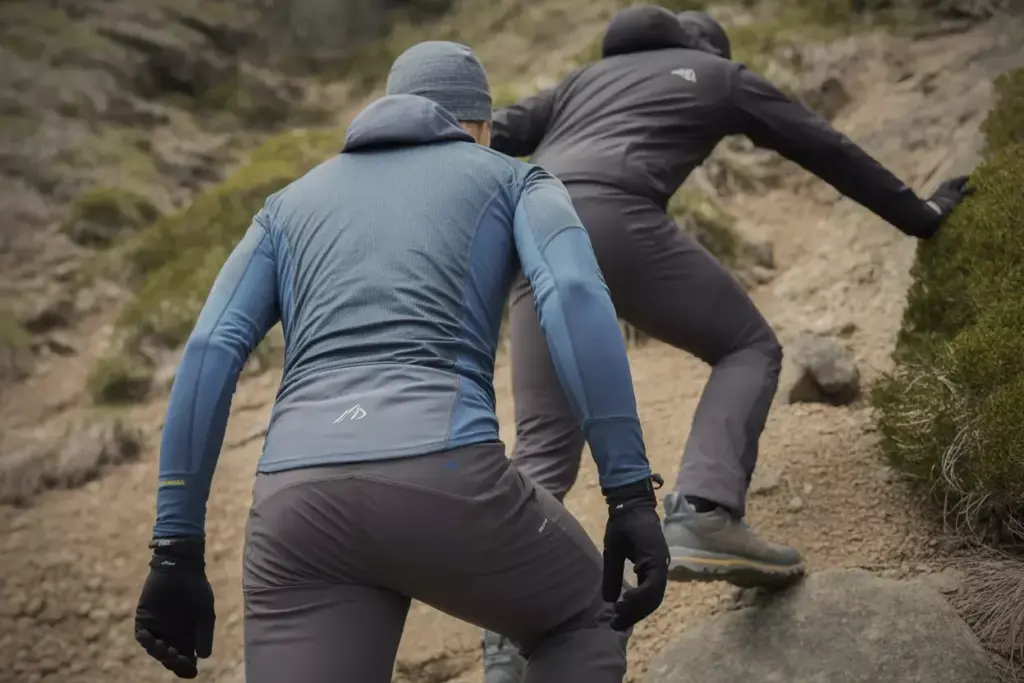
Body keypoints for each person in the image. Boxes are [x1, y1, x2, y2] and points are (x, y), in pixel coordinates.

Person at [130, 40, 673, 683]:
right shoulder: (513, 177)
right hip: (443, 470)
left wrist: (175, 550)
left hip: (295, 505)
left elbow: (208, 351)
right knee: (588, 614)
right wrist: (629, 492)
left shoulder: (284, 206)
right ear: (481, 127)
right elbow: (575, 297)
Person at [480, 5, 973, 681]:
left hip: (531, 235)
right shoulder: (718, 74)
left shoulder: (581, 81)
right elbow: (825, 147)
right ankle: (705, 511)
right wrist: (920, 215)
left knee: (541, 447)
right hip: (615, 217)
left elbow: (492, 130)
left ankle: (506, 624)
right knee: (748, 348)